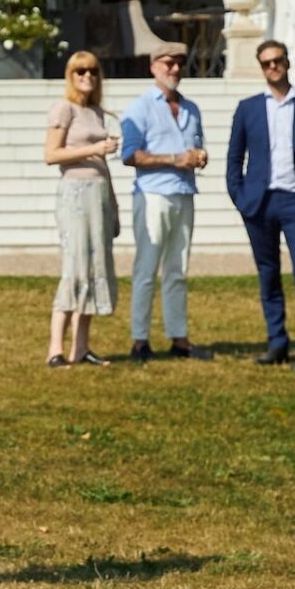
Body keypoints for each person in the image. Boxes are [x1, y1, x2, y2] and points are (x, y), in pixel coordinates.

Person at [226, 39, 295, 371]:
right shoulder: (248, 108)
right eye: (266, 63)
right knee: (268, 273)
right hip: (259, 203)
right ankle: (277, 341)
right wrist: (239, 196)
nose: (272, 67)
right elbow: (234, 158)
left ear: (287, 62)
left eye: (277, 60)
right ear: (261, 68)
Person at [119, 45, 207, 360]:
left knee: (178, 269)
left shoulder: (191, 109)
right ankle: (139, 339)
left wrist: (199, 156)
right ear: (153, 67)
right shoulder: (139, 107)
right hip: (152, 194)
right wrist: (174, 159)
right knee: (146, 268)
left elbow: (195, 147)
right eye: (168, 63)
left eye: (179, 63)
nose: (175, 69)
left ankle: (179, 338)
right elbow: (130, 154)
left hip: (184, 192)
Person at [43, 50, 120, 368]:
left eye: (93, 71)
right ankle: (55, 349)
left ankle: (81, 347)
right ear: (70, 75)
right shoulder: (64, 108)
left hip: (99, 194)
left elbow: (102, 164)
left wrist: (114, 206)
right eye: (80, 71)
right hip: (75, 194)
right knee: (75, 267)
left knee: (94, 268)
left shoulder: (97, 112)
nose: (88, 76)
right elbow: (51, 154)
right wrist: (95, 148)